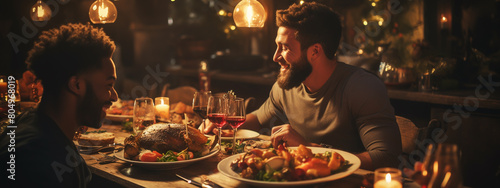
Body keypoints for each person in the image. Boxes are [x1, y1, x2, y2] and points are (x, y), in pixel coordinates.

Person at [204, 2, 402, 170]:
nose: (275, 57)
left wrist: (309, 148)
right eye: (277, 45)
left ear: (315, 51)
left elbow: (386, 158)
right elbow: (257, 118)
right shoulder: (287, 83)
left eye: (285, 47)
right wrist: (223, 123)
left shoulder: (362, 87)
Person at [0, 23, 118, 187]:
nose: (114, 96)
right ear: (76, 85)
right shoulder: (47, 165)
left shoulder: (26, 121)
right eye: (109, 86)